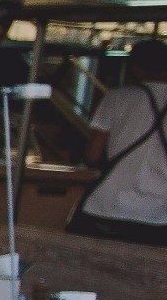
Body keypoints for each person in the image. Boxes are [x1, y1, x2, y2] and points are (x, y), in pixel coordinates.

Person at [71, 37, 167, 246]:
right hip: (159, 214)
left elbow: (93, 154)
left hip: (108, 206)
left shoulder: (116, 98)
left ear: (135, 67)